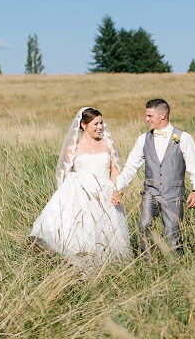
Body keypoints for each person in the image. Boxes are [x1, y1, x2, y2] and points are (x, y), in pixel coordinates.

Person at [29, 107, 131, 267]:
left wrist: (117, 189)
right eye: (95, 124)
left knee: (109, 235)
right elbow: (64, 175)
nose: (100, 127)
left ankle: (108, 269)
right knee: (85, 233)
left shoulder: (106, 144)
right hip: (82, 197)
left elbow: (114, 171)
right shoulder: (73, 148)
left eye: (101, 123)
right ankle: (82, 266)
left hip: (106, 195)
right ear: (83, 125)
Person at [113, 98, 195, 257]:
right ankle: (147, 264)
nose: (146, 119)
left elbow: (194, 166)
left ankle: (175, 267)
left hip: (173, 194)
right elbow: (131, 167)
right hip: (150, 192)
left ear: (162, 115)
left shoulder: (183, 137)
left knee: (173, 233)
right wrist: (117, 188)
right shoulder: (143, 139)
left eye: (149, 116)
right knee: (144, 227)